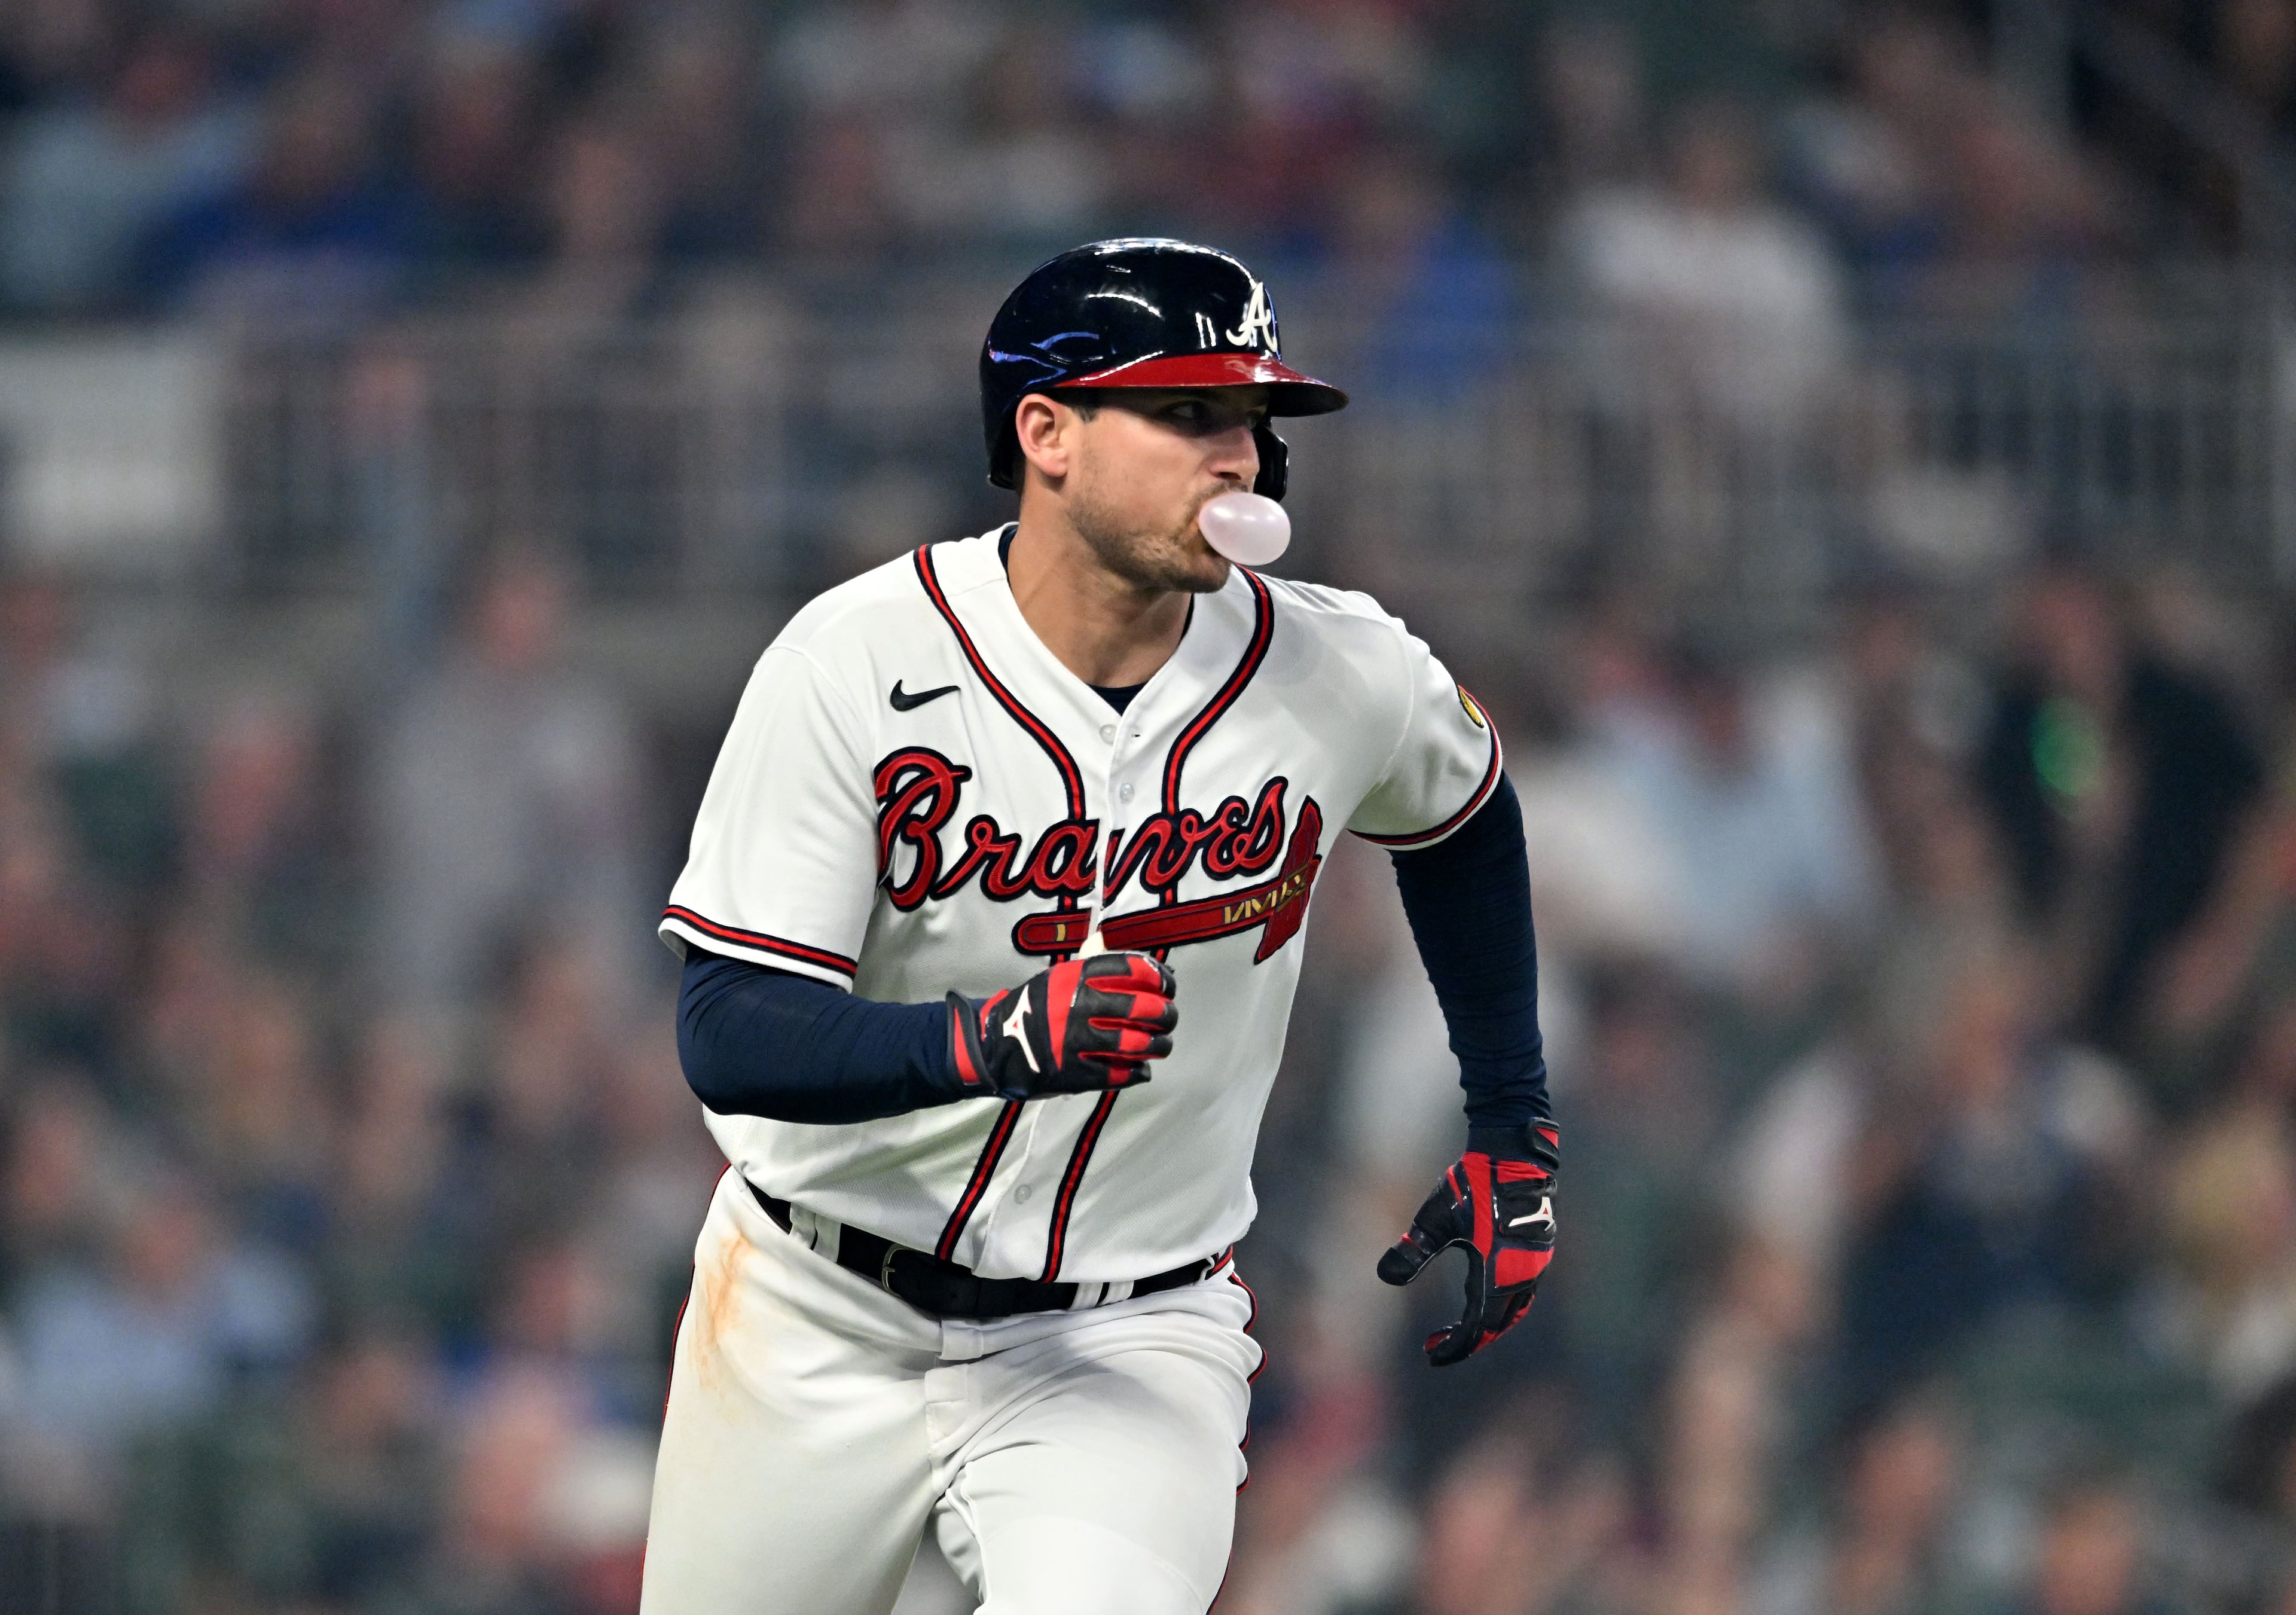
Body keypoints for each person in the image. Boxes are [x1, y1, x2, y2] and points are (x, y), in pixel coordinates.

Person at [639, 239, 1558, 1614]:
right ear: (1046, 434)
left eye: (1252, 420)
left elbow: (1468, 818)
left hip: (1128, 1339)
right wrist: (995, 1039)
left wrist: (1512, 1121)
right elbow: (729, 1030)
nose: (1239, 456)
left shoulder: (1338, 668)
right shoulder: (856, 659)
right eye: (1189, 413)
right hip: (812, 1311)